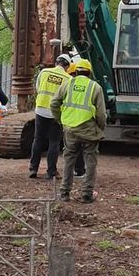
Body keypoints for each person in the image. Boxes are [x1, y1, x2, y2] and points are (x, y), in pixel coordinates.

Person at [51, 58, 106, 203]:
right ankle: (87, 193)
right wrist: (101, 127)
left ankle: (64, 193)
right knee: (90, 161)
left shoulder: (68, 84)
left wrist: (60, 119)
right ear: (89, 72)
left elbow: (54, 103)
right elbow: (101, 113)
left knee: (69, 160)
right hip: (88, 130)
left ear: (75, 71)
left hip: (70, 130)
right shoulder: (95, 87)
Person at [28, 54, 72, 179]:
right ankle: (51, 172)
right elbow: (67, 97)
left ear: (56, 63)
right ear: (67, 66)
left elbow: (37, 88)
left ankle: (33, 169)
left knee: (38, 139)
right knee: (54, 142)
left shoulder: (44, 72)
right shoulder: (68, 78)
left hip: (41, 110)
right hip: (56, 113)